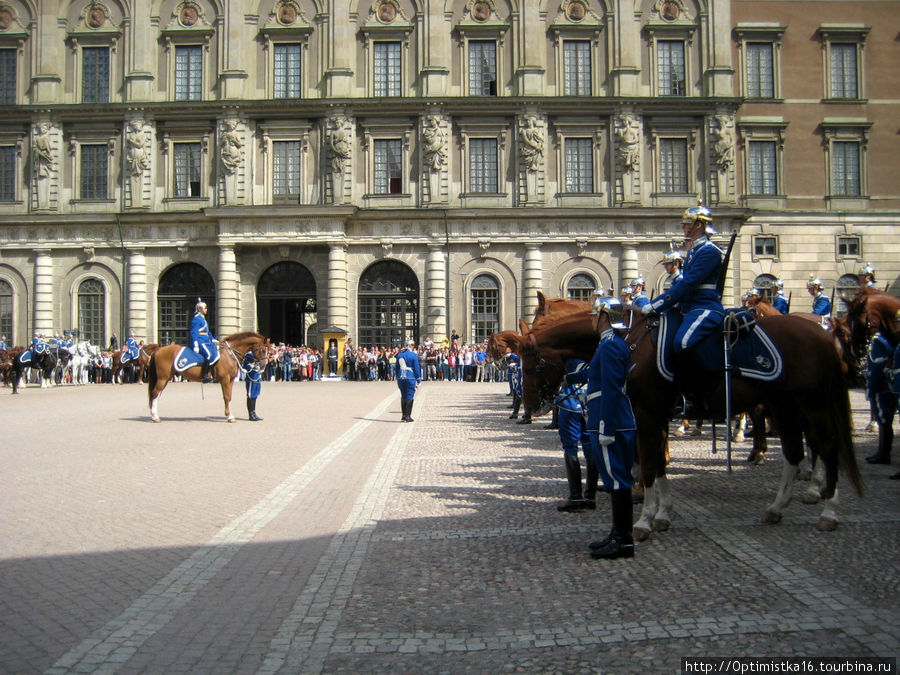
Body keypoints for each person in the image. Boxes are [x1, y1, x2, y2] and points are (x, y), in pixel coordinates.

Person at [567, 297, 637, 560]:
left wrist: (606, 426)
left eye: (595, 315)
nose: (592, 320)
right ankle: (617, 533)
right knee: (615, 480)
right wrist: (574, 376)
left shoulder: (609, 346)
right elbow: (598, 375)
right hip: (611, 419)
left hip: (611, 421)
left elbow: (610, 388)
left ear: (606, 317)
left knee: (618, 481)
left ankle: (624, 541)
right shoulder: (609, 344)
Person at [642, 202, 724, 417]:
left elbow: (688, 284)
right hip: (689, 307)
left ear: (698, 225)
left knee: (683, 342)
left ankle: (693, 396)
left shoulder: (710, 251)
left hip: (704, 307)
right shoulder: (695, 250)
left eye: (687, 224)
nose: (683, 228)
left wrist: (656, 305)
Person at [555, 358, 600, 512]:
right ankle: (590, 496)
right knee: (590, 447)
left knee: (570, 447)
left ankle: (576, 496)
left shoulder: (568, 352)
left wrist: (568, 378)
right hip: (591, 402)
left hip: (570, 403)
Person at [865, 317, 897, 465]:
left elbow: (878, 366)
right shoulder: (885, 339)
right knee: (883, 420)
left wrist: (871, 387)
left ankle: (884, 454)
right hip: (886, 384)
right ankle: (881, 452)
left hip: (881, 385)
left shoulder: (879, 341)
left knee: (884, 420)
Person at [190, 299, 219, 383]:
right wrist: (195, 343)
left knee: (215, 354)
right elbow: (194, 332)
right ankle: (204, 376)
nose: (206, 309)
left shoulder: (202, 319)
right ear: (199, 309)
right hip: (200, 341)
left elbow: (207, 331)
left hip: (206, 341)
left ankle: (214, 375)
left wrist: (212, 339)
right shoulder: (197, 319)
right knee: (209, 356)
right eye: (205, 308)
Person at [396, 339, 421, 422]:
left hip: (401, 377)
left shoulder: (399, 355)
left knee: (403, 395)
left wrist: (397, 377)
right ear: (411, 346)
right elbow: (417, 368)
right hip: (410, 376)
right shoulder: (413, 355)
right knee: (410, 395)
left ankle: (403, 415)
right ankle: (408, 416)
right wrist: (418, 379)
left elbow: (397, 368)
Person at [242, 348, 263, 421]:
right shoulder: (249, 354)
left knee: (255, 395)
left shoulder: (258, 353)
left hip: (257, 376)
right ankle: (251, 414)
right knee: (250, 395)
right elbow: (245, 365)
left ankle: (254, 412)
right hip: (251, 377)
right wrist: (253, 366)